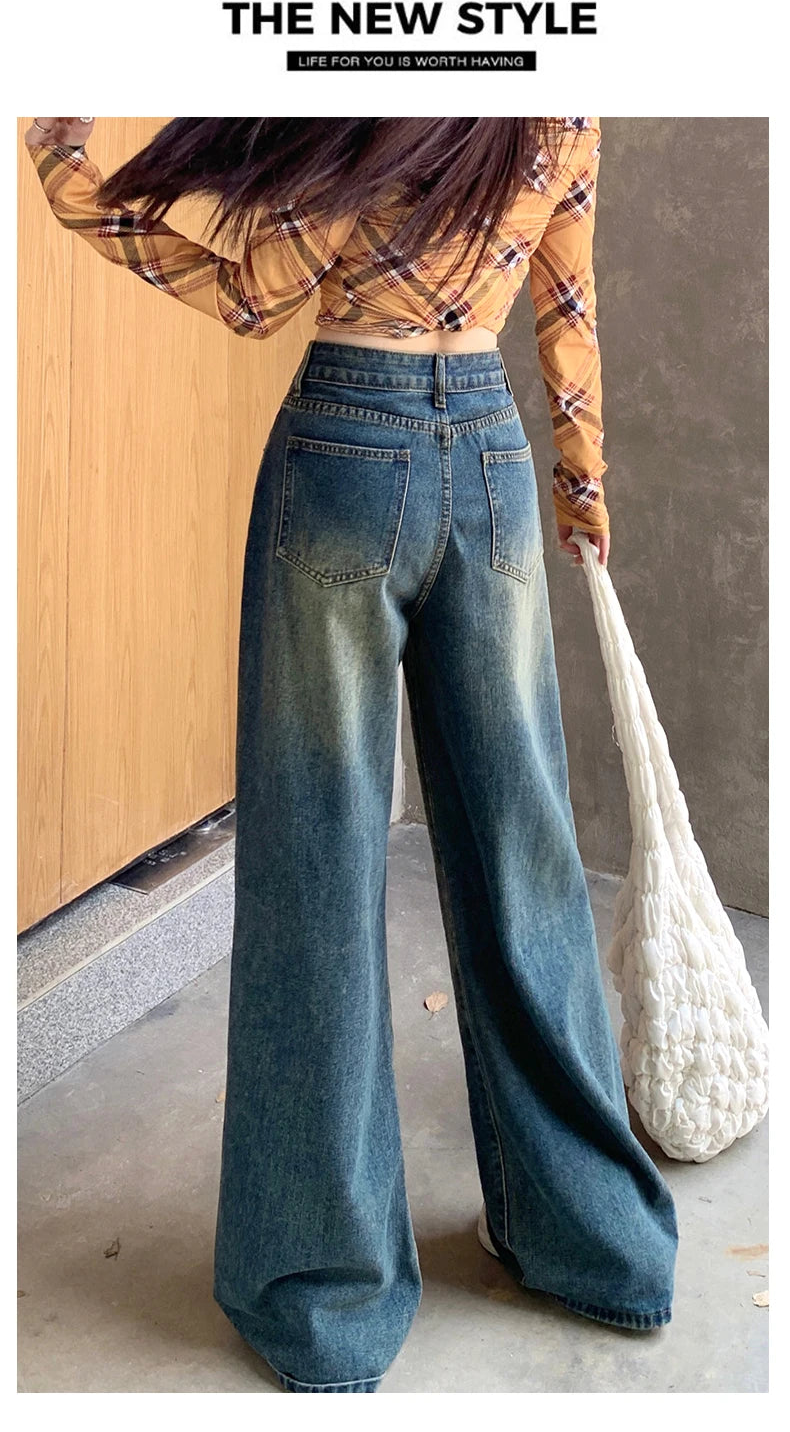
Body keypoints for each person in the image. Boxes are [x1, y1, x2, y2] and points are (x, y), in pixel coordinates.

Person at [24, 116, 678, 1394]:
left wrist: (71, 184)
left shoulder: (364, 85)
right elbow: (566, 294)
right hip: (490, 452)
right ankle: (596, 1244)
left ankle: (324, 1296)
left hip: (344, 447)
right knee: (526, 854)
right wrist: (581, 479)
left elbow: (253, 295)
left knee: (317, 861)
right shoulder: (561, 97)